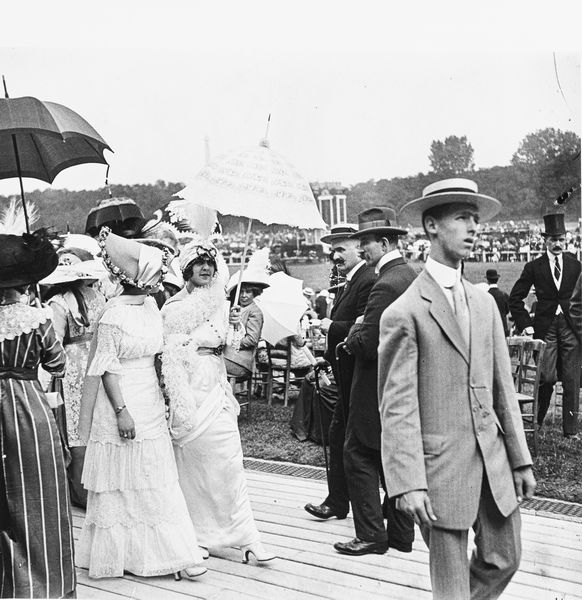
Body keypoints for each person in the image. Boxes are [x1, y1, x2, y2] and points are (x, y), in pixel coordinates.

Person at [379, 178, 535, 600]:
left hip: (493, 460)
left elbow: (503, 385)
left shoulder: (484, 303)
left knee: (506, 557)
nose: (473, 228)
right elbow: (397, 408)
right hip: (438, 470)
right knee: (449, 586)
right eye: (462, 218)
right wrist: (407, 481)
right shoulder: (404, 312)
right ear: (432, 226)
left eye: (475, 219)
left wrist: (520, 460)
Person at [76, 227, 206, 580]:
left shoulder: (150, 307)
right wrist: (122, 411)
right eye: (155, 275)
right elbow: (105, 368)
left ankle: (168, 550)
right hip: (122, 397)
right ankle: (124, 554)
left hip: (148, 393)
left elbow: (159, 350)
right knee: (123, 475)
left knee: (154, 472)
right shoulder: (114, 315)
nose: (160, 281)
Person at [161, 237, 275, 563]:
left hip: (216, 382)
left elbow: (229, 346)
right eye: (200, 263)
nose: (207, 268)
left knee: (229, 461)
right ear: (187, 268)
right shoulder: (173, 306)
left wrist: (234, 324)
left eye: (211, 263)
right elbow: (169, 349)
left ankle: (247, 536)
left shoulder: (224, 304)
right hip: (188, 382)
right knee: (195, 464)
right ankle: (198, 535)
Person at [333, 208, 416, 556]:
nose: (362, 250)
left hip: (374, 381)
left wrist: (350, 333)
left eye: (365, 243)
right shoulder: (409, 275)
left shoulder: (385, 283)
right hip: (401, 381)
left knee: (358, 454)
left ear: (384, 242)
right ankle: (400, 534)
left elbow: (366, 341)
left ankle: (370, 534)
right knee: (392, 456)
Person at [0, 229, 76, 599]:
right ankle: (44, 585)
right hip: (27, 410)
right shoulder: (37, 319)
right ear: (25, 282)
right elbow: (58, 365)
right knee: (36, 491)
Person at [303, 224, 375, 521]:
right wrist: (327, 360)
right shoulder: (350, 282)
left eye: (340, 249)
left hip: (358, 377)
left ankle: (354, 504)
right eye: (332, 251)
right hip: (343, 372)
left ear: (359, 248)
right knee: (340, 436)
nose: (334, 256)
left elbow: (365, 330)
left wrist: (329, 326)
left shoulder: (368, 280)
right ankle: (338, 501)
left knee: (354, 440)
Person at [509, 212, 582, 437]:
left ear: (566, 239)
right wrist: (526, 326)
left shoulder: (575, 265)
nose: (558, 244)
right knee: (546, 377)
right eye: (553, 240)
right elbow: (515, 299)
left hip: (571, 327)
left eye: (561, 239)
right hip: (545, 328)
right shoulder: (534, 267)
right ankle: (537, 422)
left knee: (571, 379)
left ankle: (570, 431)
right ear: (545, 241)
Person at [41, 263, 106, 508]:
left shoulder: (59, 302)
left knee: (75, 429)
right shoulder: (99, 297)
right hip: (97, 362)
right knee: (96, 423)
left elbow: (54, 342)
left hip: (72, 368)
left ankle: (80, 491)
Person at [223, 269, 269, 379]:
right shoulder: (236, 308)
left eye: (248, 292)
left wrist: (233, 343)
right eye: (241, 292)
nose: (244, 295)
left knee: (211, 363)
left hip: (240, 362)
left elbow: (252, 339)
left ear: (254, 293)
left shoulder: (255, 311)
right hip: (228, 356)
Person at [485, 268, 510, 336]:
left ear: (488, 281)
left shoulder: (485, 295)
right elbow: (507, 311)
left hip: (491, 328)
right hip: (503, 327)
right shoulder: (504, 295)